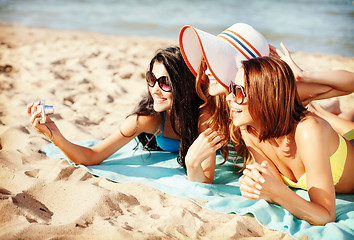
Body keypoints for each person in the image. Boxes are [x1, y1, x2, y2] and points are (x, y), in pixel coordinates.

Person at [27, 46, 222, 182]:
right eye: (151, 79)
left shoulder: (204, 114)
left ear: (185, 86)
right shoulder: (146, 120)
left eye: (165, 83)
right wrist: (54, 135)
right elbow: (92, 156)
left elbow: (205, 181)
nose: (154, 89)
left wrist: (192, 163)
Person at [226, 56, 354, 225]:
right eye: (232, 88)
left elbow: (325, 216)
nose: (229, 98)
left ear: (264, 96)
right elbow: (274, 186)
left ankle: (326, 111)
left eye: (238, 91)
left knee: (324, 121)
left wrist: (277, 192)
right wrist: (259, 186)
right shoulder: (249, 130)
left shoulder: (309, 131)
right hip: (337, 141)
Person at [179, 23, 270, 182]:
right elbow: (206, 180)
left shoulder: (270, 104)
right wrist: (192, 164)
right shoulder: (212, 113)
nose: (207, 72)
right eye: (207, 64)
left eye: (215, 64)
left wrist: (302, 76)